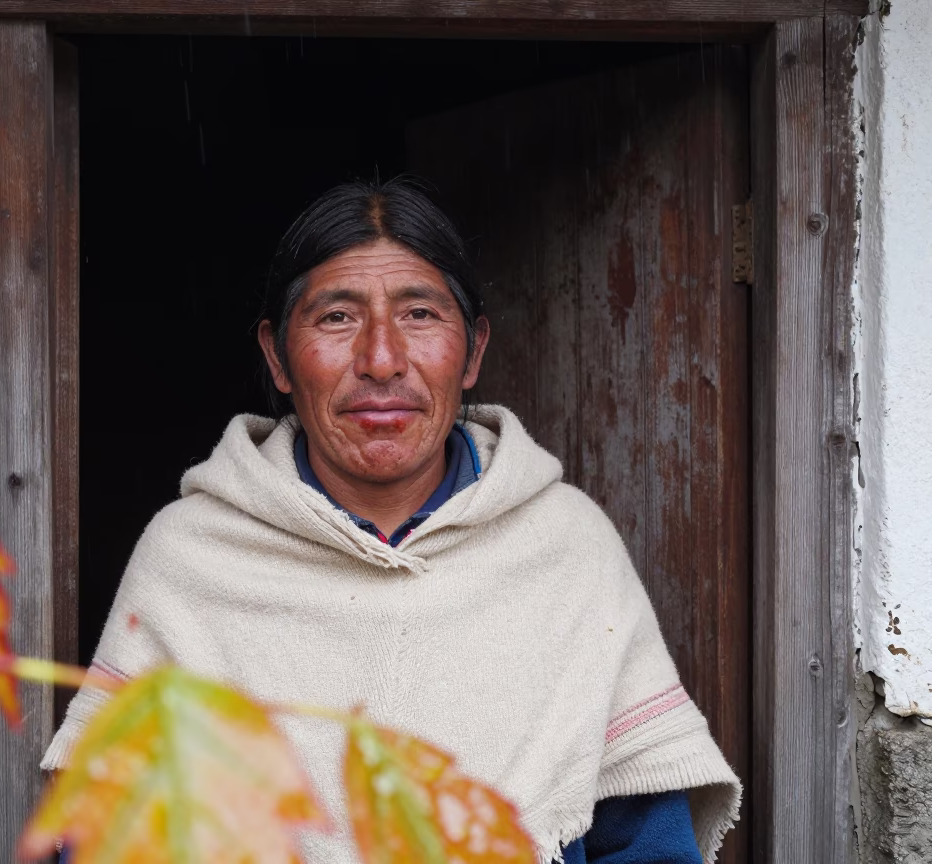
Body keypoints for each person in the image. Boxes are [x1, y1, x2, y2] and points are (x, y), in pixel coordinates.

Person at [43, 178, 741, 862]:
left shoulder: (567, 550)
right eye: (337, 317)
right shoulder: (193, 559)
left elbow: (646, 845)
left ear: (472, 352)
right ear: (277, 356)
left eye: (420, 315)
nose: (382, 360)